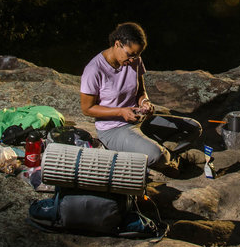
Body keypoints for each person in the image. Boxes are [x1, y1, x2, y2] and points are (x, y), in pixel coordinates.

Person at [80, 22, 202, 174]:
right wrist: (120, 112)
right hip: (114, 129)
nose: (133, 60)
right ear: (117, 44)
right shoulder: (94, 70)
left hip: (139, 119)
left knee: (194, 128)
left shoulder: (135, 60)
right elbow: (87, 108)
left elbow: (140, 91)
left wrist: (145, 102)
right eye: (130, 55)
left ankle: (163, 153)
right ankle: (165, 157)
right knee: (158, 156)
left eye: (137, 55)